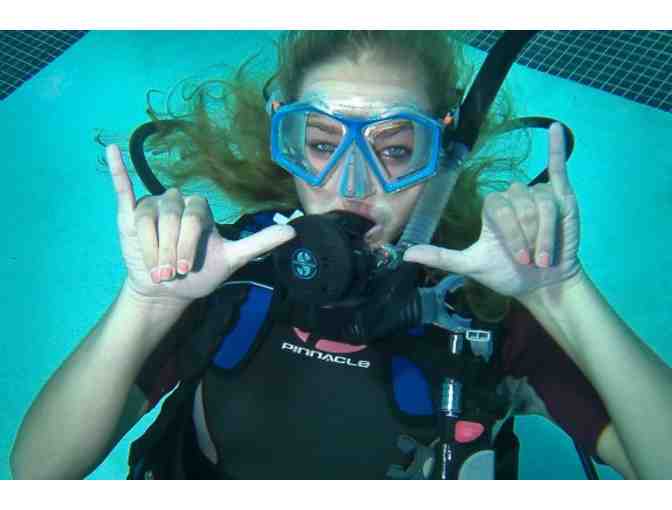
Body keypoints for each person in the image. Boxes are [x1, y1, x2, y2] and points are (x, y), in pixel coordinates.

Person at [10, 31, 672, 480]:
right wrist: (147, 302)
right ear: (286, 139)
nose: (353, 187)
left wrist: (562, 295)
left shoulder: (485, 303)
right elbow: (39, 472)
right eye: (323, 144)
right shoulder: (226, 272)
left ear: (441, 153)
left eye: (395, 150)